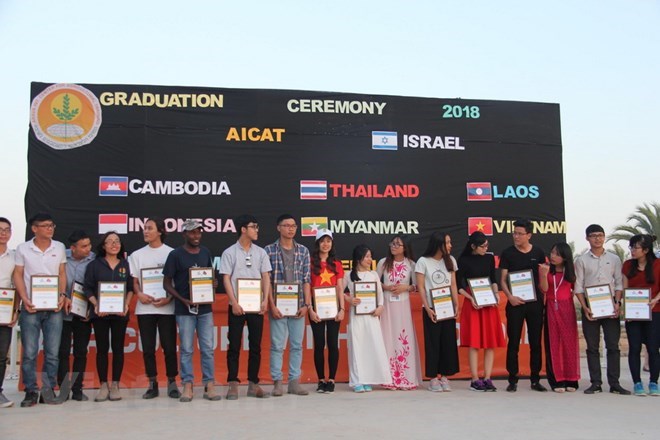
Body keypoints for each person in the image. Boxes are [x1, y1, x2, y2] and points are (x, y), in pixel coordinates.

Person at [163, 219, 220, 402]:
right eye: (192, 232)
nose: (196, 236)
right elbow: (166, 283)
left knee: (207, 349)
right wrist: (183, 299)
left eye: (199, 232)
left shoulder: (206, 252)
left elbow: (210, 276)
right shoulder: (175, 255)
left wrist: (213, 284)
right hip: (184, 309)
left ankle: (209, 384)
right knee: (186, 349)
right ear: (184, 234)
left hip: (205, 309)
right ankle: (187, 385)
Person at [14, 213, 67, 407]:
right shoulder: (22, 249)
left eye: (51, 225)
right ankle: (30, 391)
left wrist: (62, 295)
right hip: (31, 307)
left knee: (52, 352)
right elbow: (18, 275)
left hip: (54, 308)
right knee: (29, 352)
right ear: (34, 228)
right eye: (45, 226)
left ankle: (48, 390)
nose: (50, 229)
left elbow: (62, 273)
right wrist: (25, 298)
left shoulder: (59, 247)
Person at [220, 215, 272, 400]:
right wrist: (233, 302)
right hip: (237, 306)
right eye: (253, 226)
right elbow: (226, 278)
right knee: (234, 345)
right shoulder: (229, 252)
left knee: (256, 346)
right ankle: (233, 384)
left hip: (256, 306)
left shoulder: (261, 253)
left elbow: (265, 277)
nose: (257, 230)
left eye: (257, 227)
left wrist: (265, 300)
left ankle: (253, 384)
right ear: (243, 229)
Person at [574, 224, 630, 395]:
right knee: (592, 346)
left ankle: (614, 383)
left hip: (610, 304)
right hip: (590, 306)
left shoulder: (614, 259)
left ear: (604, 237)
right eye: (593, 235)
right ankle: (595, 382)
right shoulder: (581, 260)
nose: (597, 238)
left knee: (613, 345)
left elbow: (619, 283)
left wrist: (618, 303)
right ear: (587, 238)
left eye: (600, 235)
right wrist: (584, 308)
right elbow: (578, 287)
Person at [129, 217, 180, 400]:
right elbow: (134, 281)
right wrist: (139, 294)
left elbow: (176, 281)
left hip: (167, 308)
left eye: (149, 228)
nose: (145, 231)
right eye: (144, 228)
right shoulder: (136, 255)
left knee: (169, 347)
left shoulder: (172, 253)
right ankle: (152, 384)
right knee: (148, 348)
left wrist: (169, 298)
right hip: (145, 308)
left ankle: (172, 383)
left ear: (160, 231)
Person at [264, 214, 311, 396]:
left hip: (298, 304)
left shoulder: (303, 251)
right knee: (277, 345)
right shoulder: (268, 250)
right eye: (286, 225)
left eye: (293, 226)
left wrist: (307, 304)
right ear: (278, 228)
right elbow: (266, 280)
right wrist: (271, 305)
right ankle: (277, 382)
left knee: (297, 345)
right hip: (277, 305)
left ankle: (294, 381)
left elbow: (306, 279)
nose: (290, 229)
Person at [84, 231, 133, 402]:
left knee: (118, 349)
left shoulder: (126, 265)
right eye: (110, 241)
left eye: (117, 241)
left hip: (120, 314)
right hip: (100, 314)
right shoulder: (94, 265)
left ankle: (115, 385)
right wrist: (96, 304)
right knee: (102, 349)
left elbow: (130, 288)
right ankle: (103, 385)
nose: (114, 244)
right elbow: (87, 288)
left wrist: (126, 304)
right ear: (103, 245)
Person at [499, 219, 547, 392]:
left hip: (535, 303)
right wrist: (509, 297)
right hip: (515, 303)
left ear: (529, 235)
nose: (516, 236)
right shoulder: (508, 253)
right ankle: (513, 379)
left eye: (520, 233)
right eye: (514, 233)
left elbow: (543, 280)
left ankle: (535, 379)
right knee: (513, 342)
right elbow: (502, 279)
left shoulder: (539, 252)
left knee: (535, 341)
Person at [456, 231, 505, 392]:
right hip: (473, 302)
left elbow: (493, 279)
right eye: (482, 246)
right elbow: (459, 285)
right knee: (474, 343)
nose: (485, 249)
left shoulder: (489, 258)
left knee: (490, 342)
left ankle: (488, 378)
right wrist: (470, 298)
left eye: (487, 246)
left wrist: (496, 293)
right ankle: (475, 379)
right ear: (473, 246)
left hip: (488, 301)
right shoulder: (463, 260)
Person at [415, 231, 459, 392]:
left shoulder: (451, 260)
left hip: (447, 306)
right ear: (438, 244)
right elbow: (420, 286)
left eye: (450, 242)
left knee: (448, 342)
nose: (450, 246)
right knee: (433, 343)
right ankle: (433, 378)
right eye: (447, 243)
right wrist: (427, 307)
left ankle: (445, 376)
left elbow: (453, 284)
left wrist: (456, 304)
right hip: (432, 308)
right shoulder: (423, 261)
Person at [376, 234, 422, 390]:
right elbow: (375, 283)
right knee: (387, 337)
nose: (393, 246)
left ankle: (406, 378)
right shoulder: (383, 263)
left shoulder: (411, 264)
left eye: (397, 244)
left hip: (403, 307)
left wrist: (406, 287)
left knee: (403, 338)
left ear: (405, 248)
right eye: (392, 243)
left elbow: (417, 286)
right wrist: (386, 287)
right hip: (387, 306)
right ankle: (388, 378)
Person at [344, 244, 391, 392]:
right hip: (356, 317)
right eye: (367, 256)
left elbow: (380, 295)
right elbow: (340, 292)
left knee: (371, 346)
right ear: (359, 258)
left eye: (371, 256)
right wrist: (349, 300)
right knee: (357, 347)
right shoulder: (348, 275)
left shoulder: (373, 275)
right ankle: (357, 380)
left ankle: (368, 378)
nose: (370, 259)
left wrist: (380, 307)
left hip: (371, 317)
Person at [57, 230, 94, 402]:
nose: (88, 249)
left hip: (83, 313)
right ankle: (63, 389)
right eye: (84, 246)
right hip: (62, 312)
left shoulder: (94, 259)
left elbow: (97, 286)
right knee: (62, 352)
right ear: (73, 248)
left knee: (81, 352)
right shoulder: (61, 257)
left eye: (89, 245)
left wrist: (91, 309)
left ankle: (78, 389)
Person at [622, 234, 660, 396]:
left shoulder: (658, 264)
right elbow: (624, 289)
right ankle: (637, 382)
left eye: (635, 247)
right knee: (634, 347)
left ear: (645, 250)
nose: (632, 250)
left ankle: (653, 382)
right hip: (634, 313)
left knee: (653, 347)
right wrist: (626, 309)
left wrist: (656, 299)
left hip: (655, 311)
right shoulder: (627, 265)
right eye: (631, 247)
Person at [539, 243, 580, 392]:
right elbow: (544, 289)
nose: (553, 257)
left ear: (565, 256)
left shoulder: (571, 271)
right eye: (552, 253)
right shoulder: (545, 269)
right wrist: (543, 275)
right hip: (550, 307)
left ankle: (571, 379)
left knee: (569, 343)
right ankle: (557, 380)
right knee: (553, 343)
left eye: (557, 254)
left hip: (567, 307)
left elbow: (576, 289)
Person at [308, 229, 345, 393]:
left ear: (332, 243)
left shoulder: (336, 264)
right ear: (317, 243)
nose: (325, 244)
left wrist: (342, 308)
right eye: (322, 241)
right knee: (319, 344)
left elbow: (340, 288)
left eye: (328, 241)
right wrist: (310, 308)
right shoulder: (310, 263)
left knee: (332, 343)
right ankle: (320, 379)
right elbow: (307, 287)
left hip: (333, 309)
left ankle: (331, 379)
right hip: (316, 309)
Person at [0, 217, 17, 408]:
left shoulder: (13, 257)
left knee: (1, 355)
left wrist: (16, 310)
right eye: (0, 229)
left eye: (7, 230)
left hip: (4, 312)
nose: (3, 233)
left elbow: (16, 285)